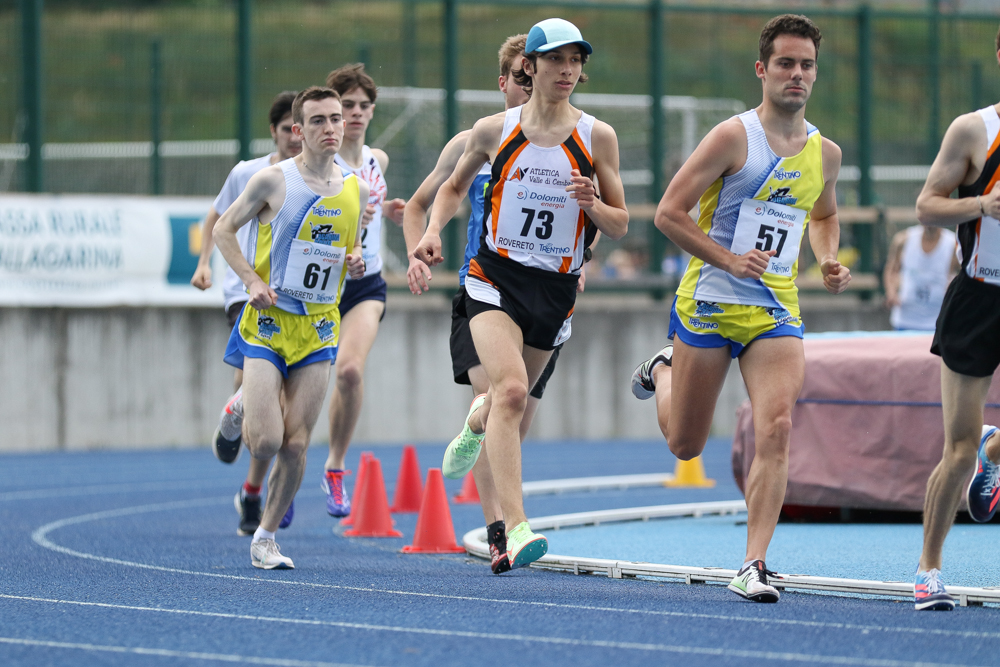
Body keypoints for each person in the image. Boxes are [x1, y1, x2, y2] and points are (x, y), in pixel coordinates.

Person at [631, 14, 850, 603]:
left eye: (806, 65)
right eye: (785, 63)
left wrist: (828, 257)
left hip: (775, 308)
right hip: (709, 300)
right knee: (685, 445)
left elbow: (825, 214)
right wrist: (728, 259)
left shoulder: (825, 153)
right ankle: (663, 370)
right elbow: (668, 213)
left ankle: (753, 562)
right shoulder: (733, 138)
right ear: (762, 69)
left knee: (776, 426)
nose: (797, 74)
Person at [412, 18, 628, 570]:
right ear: (529, 67)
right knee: (510, 391)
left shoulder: (598, 136)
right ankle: (515, 527)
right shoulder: (493, 130)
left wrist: (593, 205)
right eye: (555, 60)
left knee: (511, 406)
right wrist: (433, 231)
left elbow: (621, 222)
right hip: (494, 277)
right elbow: (453, 187)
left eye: (575, 61)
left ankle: (475, 423)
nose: (567, 70)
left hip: (555, 289)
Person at [213, 87, 368, 569]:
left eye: (336, 119)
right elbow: (222, 229)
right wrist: (251, 280)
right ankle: (239, 405)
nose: (331, 128)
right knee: (265, 442)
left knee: (297, 443)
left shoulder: (356, 188)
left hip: (319, 328)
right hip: (268, 323)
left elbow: (348, 245)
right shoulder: (273, 181)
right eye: (318, 120)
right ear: (297, 130)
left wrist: (355, 259)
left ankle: (265, 539)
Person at [913, 28, 1000, 612]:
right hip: (979, 297)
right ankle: (929, 569)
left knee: (977, 449)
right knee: (959, 449)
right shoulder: (974, 130)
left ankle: (995, 454)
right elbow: (926, 204)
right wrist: (981, 204)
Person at [192, 91, 301, 537]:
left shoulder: (319, 177)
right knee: (256, 386)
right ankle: (239, 407)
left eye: (300, 129)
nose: (295, 137)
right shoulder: (248, 173)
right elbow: (216, 217)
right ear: (274, 131)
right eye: (287, 129)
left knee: (273, 405)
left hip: (296, 300)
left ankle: (252, 491)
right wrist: (203, 263)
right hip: (247, 292)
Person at [319, 64, 406, 518]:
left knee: (350, 371)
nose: (355, 113)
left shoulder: (377, 160)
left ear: (372, 111)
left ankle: (335, 466)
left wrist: (386, 209)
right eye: (346, 106)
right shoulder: (318, 164)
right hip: (318, 287)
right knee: (294, 388)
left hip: (365, 283)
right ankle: (279, 472)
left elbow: (371, 199)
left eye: (363, 106)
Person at [883, 224, 958, 331]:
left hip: (938, 321)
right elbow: (892, 269)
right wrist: (891, 292)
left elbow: (965, 273)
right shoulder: (904, 240)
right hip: (905, 319)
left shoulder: (953, 244)